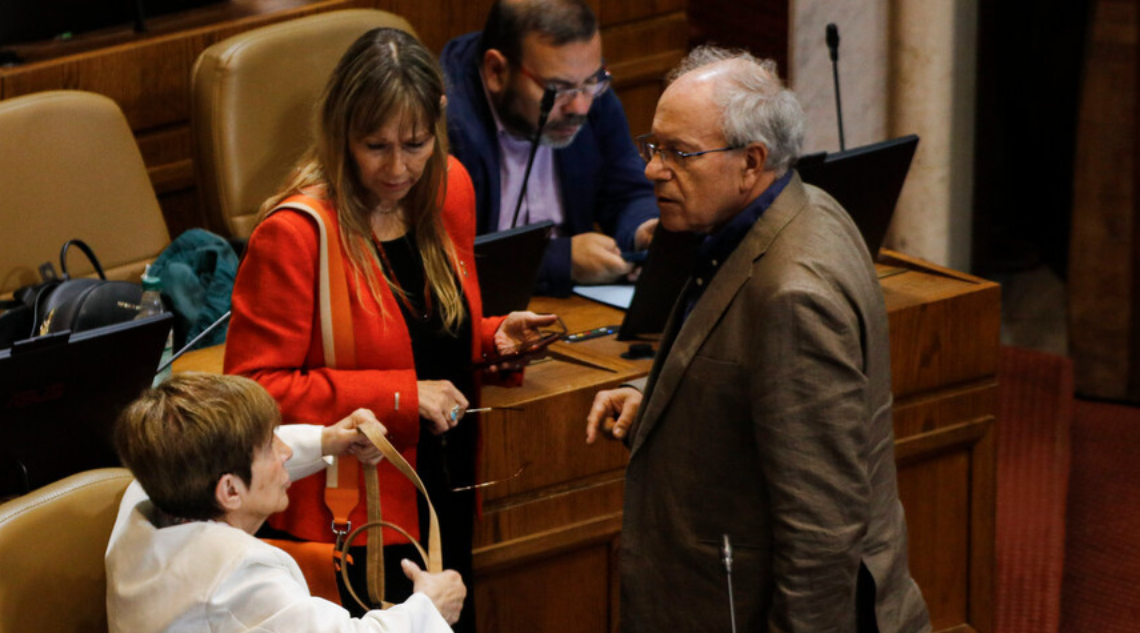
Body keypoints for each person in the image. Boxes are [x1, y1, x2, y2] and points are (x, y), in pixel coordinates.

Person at [584, 47, 931, 633]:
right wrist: (668, 393)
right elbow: (752, 367)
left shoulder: (795, 296)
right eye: (654, 145)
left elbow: (820, 529)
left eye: (680, 153)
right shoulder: (799, 207)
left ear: (751, 161)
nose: (652, 170)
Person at [224, 27, 555, 632]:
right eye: (375, 146)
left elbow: (422, 334)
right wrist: (401, 398)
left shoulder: (448, 187)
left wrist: (490, 338)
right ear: (340, 132)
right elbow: (252, 392)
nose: (398, 167)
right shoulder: (297, 235)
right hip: (358, 516)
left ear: (440, 122)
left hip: (443, 489)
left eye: (415, 143)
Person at [106, 372, 465, 632]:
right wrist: (430, 609)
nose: (286, 451)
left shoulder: (147, 493)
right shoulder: (239, 575)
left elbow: (226, 459)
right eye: (269, 448)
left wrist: (327, 440)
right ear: (229, 491)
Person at [440, 0, 660, 296]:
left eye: (591, 82)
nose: (580, 107)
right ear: (496, 71)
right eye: (558, 89)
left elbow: (627, 191)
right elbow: (445, 261)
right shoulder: (442, 121)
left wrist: (643, 230)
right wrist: (557, 260)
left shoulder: (584, 87)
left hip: (578, 302)